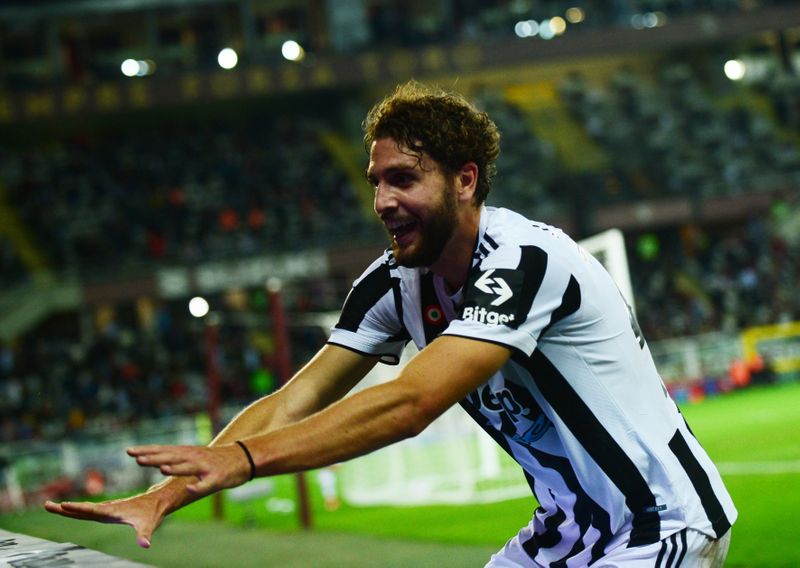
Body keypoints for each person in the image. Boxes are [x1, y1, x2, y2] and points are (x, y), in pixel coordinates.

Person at [45, 81, 736, 567]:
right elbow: (296, 398)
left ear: (466, 181)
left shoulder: (526, 258)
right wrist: (165, 497)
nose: (382, 199)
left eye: (404, 179)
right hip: (565, 534)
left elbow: (412, 403)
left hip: (659, 526)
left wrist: (245, 462)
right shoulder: (391, 283)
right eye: (375, 181)